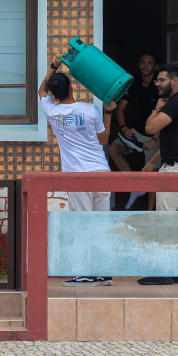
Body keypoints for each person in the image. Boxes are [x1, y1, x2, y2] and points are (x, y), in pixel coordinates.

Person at [38, 60, 117, 286]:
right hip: (101, 171)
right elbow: (103, 139)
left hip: (77, 176)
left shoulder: (52, 112)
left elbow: (41, 91)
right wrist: (108, 112)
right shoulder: (90, 109)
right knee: (100, 223)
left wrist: (53, 66)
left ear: (54, 94)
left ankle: (86, 272)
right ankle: (103, 273)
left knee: (82, 223)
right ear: (72, 87)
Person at [138, 63, 178, 286]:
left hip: (174, 170)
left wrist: (156, 108)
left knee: (164, 220)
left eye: (161, 80)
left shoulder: (176, 103)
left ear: (174, 81)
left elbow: (149, 128)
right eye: (157, 80)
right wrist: (152, 163)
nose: (157, 83)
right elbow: (173, 144)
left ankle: (162, 272)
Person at [107, 53, 161, 187]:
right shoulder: (135, 82)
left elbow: (165, 115)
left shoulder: (159, 83)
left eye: (150, 63)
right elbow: (120, 108)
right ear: (138, 65)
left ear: (155, 66)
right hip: (137, 130)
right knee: (112, 149)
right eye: (143, 62)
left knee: (152, 173)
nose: (145, 66)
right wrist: (124, 127)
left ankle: (149, 202)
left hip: (155, 134)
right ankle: (134, 184)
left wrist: (154, 140)